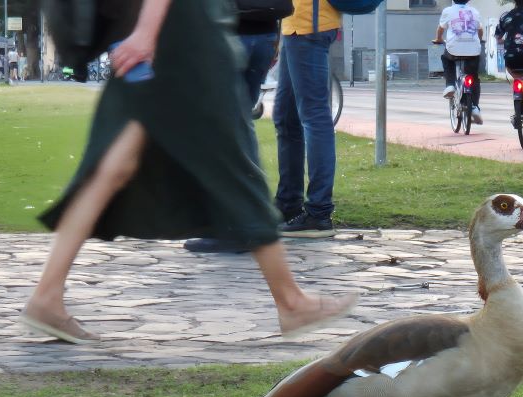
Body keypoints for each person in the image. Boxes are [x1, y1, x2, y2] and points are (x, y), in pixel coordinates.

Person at [20, 0, 357, 344]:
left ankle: (47, 296)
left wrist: (144, 32)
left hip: (160, 32)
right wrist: (148, 33)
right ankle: (292, 302)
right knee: (234, 164)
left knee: (115, 165)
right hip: (182, 35)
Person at [184, 0, 288, 254]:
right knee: (239, 125)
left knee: (221, 129)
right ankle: (251, 220)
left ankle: (234, 226)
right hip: (265, 32)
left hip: (230, 35)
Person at [272, 0, 341, 238]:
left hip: (308, 26)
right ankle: (288, 203)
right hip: (297, 25)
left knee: (314, 117)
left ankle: (319, 212)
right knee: (286, 117)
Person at [434, 0, 484, 125]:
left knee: (446, 58)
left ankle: (450, 84)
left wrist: (439, 39)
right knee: (474, 77)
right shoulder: (475, 11)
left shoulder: (448, 11)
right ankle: (475, 107)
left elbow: (440, 29)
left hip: (454, 50)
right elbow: (480, 30)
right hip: (473, 51)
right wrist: (479, 39)